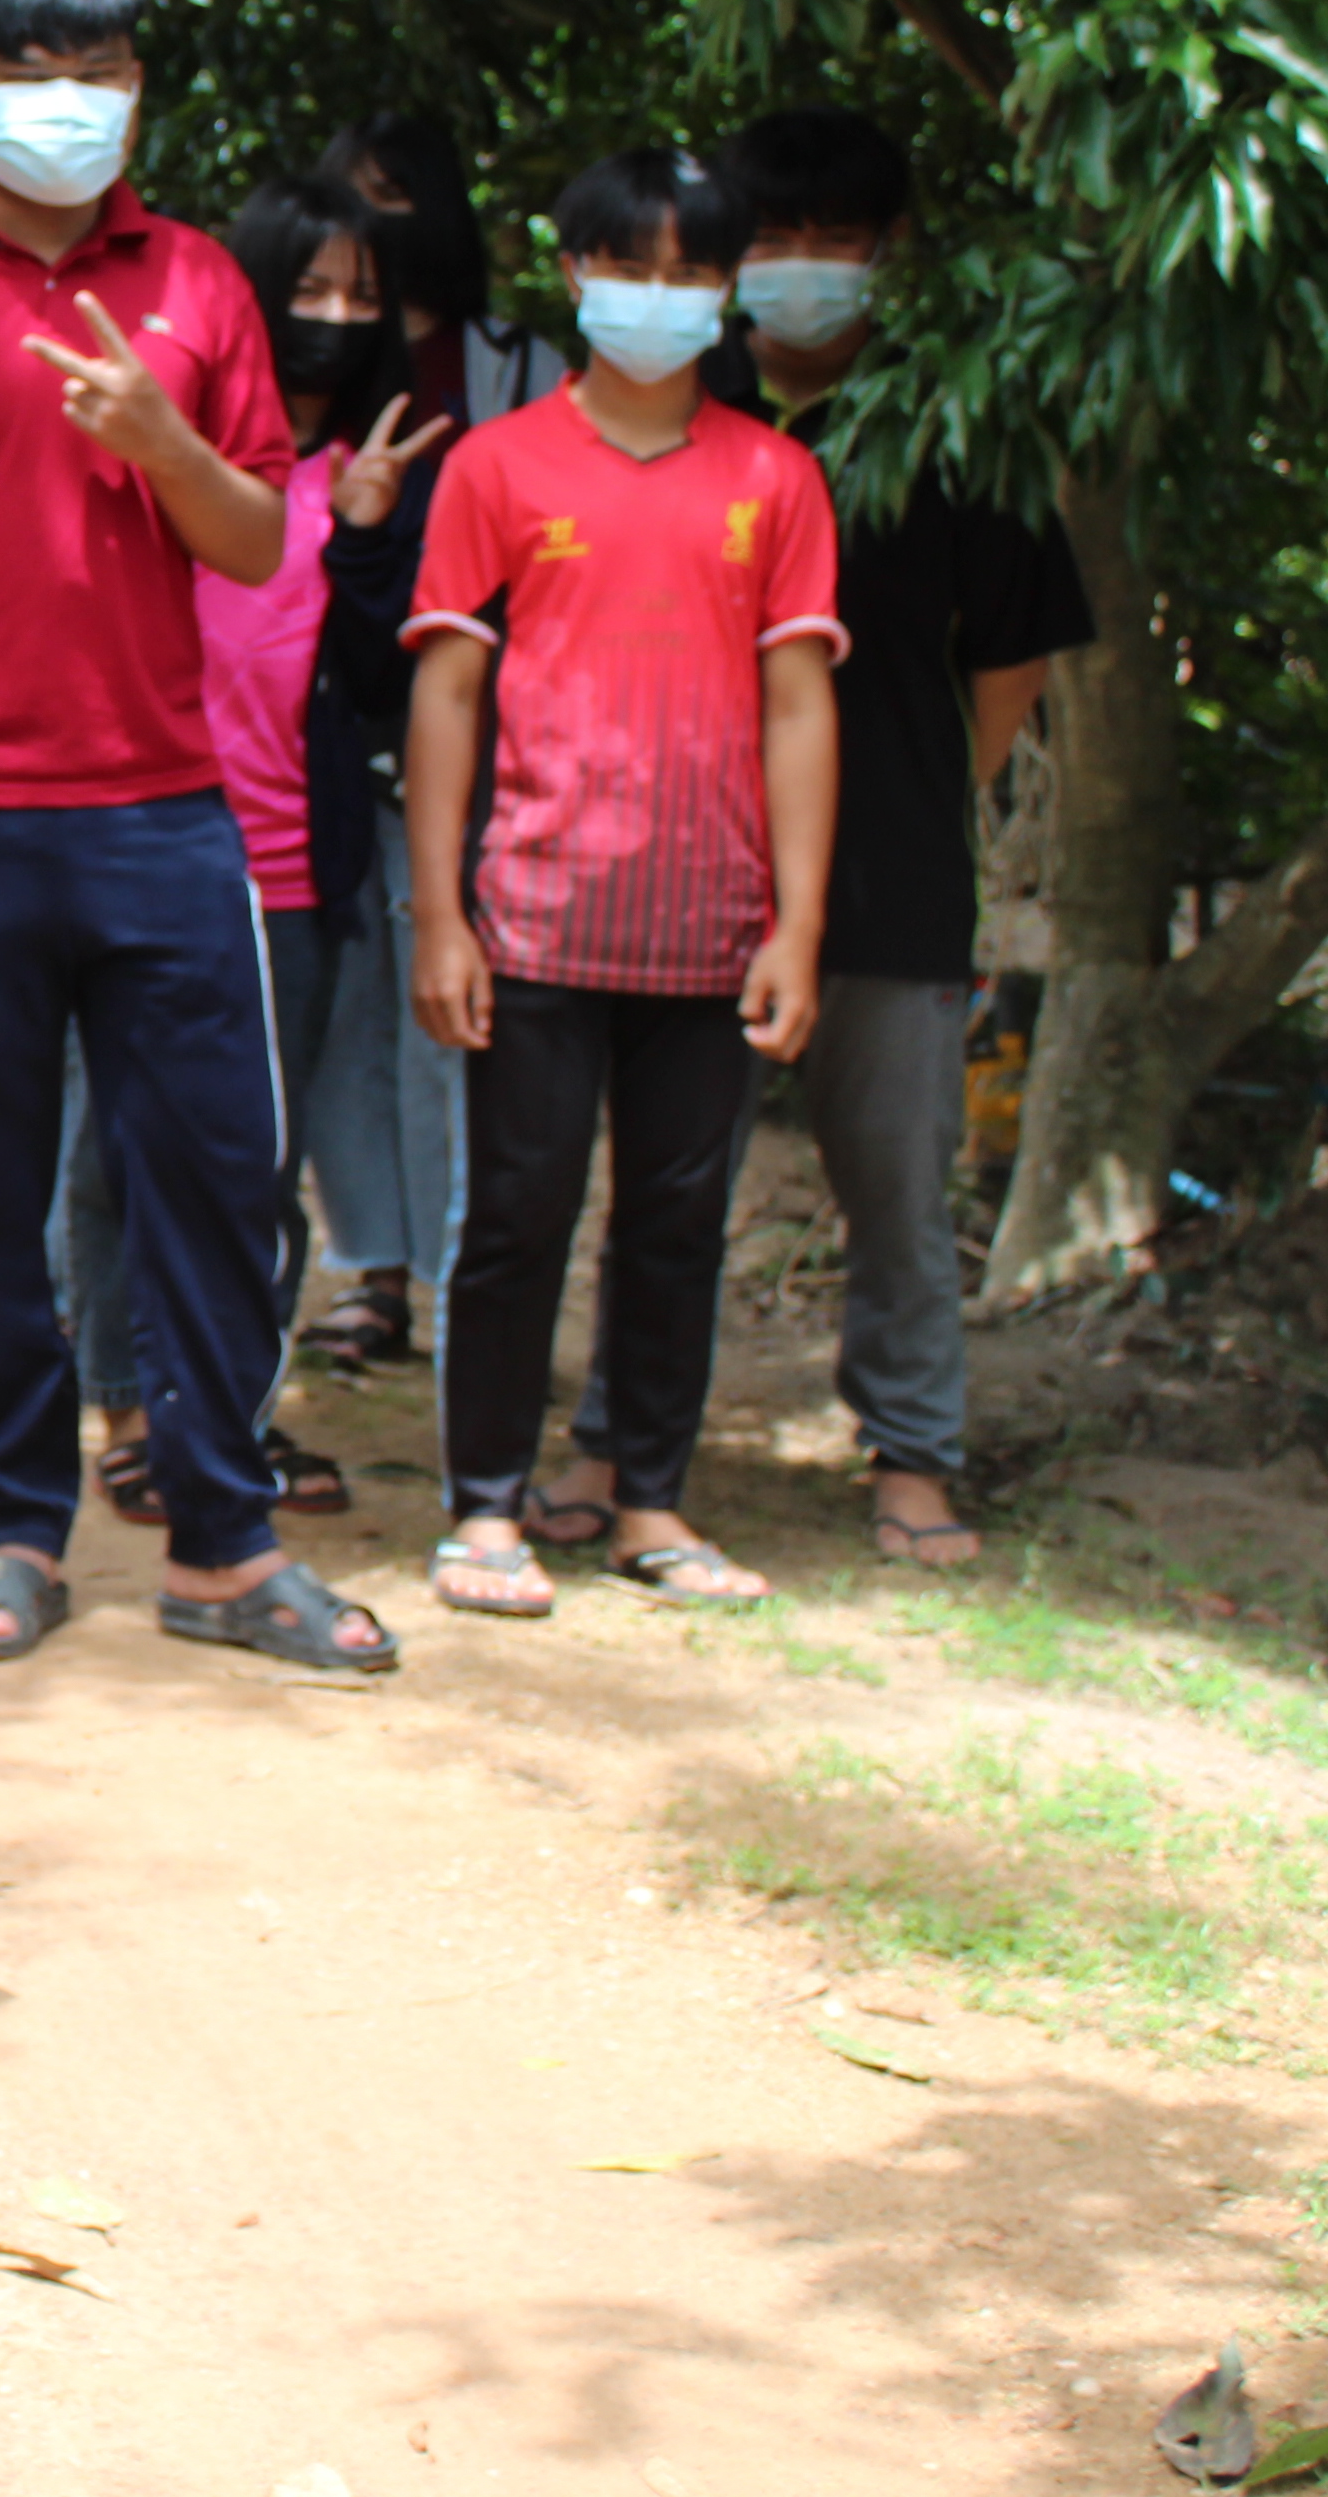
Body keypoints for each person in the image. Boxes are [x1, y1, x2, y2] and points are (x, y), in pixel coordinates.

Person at [0, 0, 388, 1678]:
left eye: (101, 74)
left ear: (135, 89)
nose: (70, 105)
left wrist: (159, 441)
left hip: (165, 816)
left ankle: (218, 1538)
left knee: (213, 1179)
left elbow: (263, 537)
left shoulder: (194, 280)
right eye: (34, 74)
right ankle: (12, 1527)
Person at [546, 107, 1089, 1570]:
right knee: (668, 1179)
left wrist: (919, 798)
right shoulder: (679, 403)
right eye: (771, 244)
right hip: (682, 865)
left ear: (884, 255)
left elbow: (1014, 650)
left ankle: (914, 1453)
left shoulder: (954, 421)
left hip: (894, 868)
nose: (799, 272)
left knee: (895, 1178)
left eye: (832, 245)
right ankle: (616, 1432)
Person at [403, 146, 844, 1620]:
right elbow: (448, 697)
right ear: (575, 272)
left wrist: (798, 922)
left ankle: (651, 1498)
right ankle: (484, 1510)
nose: (658, 297)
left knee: (677, 1224)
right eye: (629, 265)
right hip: (530, 912)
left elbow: (799, 706)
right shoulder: (498, 464)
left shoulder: (777, 478)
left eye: (691, 271)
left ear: (726, 292)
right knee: (516, 1218)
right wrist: (441, 914)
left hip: (714, 927)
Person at [52, 169, 449, 1530]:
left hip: (295, 875)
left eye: (361, 293)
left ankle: (229, 1411)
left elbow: (383, 684)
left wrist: (367, 540)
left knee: (252, 1168)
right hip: (148, 845)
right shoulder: (160, 445)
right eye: (307, 287)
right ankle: (121, 1407)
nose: (334, 315)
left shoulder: (381, 475)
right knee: (111, 1150)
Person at [291, 106, 555, 1374]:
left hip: (489, 729)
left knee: (442, 1002)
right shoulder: (315, 359)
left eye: (397, 198)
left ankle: (455, 1271)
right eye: (354, 201)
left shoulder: (519, 364)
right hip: (336, 724)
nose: (375, 233)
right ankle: (367, 1267)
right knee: (344, 1020)